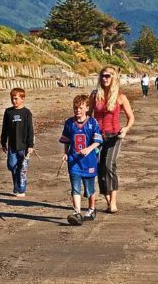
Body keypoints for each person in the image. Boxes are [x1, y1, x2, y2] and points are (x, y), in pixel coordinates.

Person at [89, 66, 135, 214]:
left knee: (109, 165)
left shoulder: (121, 97)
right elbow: (89, 115)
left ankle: (113, 201)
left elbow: (131, 117)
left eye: (108, 76)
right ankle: (108, 200)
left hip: (114, 136)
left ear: (113, 78)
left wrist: (126, 129)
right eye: (102, 76)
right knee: (98, 167)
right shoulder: (95, 95)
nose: (104, 78)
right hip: (96, 136)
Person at [59, 94, 103, 226]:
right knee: (75, 188)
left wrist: (89, 149)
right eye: (75, 108)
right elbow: (66, 141)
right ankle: (77, 212)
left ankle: (91, 209)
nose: (78, 110)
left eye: (80, 108)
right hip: (74, 161)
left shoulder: (92, 123)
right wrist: (66, 153)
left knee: (89, 189)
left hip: (89, 161)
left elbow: (98, 141)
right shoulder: (69, 123)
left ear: (87, 108)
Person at [0, 87, 34, 198]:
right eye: (12, 98)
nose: (14, 101)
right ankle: (16, 186)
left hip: (24, 146)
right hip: (12, 146)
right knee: (11, 166)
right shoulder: (8, 112)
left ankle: (21, 189)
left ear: (22, 99)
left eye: (16, 98)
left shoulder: (26, 113)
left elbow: (30, 129)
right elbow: (4, 128)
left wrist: (30, 145)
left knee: (22, 169)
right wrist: (3, 142)